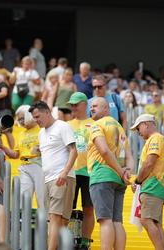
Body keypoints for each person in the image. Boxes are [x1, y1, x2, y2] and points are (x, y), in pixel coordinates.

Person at [29, 101, 77, 250]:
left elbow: (74, 151)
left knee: (56, 217)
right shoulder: (41, 133)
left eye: (38, 116)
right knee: (58, 220)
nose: (36, 120)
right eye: (34, 117)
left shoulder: (63, 126)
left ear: (48, 112)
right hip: (48, 179)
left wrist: (64, 172)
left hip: (61, 177)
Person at [88, 97, 134, 250]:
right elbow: (129, 156)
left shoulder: (96, 125)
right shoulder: (120, 128)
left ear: (106, 109)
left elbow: (104, 151)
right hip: (118, 180)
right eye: (91, 106)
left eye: (95, 106)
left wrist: (121, 172)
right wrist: (127, 171)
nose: (92, 108)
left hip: (102, 176)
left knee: (105, 221)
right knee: (116, 221)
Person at [131, 114, 164, 250]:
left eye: (138, 128)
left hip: (153, 185)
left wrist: (137, 180)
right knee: (156, 223)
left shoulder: (155, 138)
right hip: (158, 186)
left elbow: (149, 163)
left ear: (146, 124)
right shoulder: (157, 138)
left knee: (146, 219)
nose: (138, 132)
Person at [1, 105, 45, 209]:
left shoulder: (41, 129)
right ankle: (22, 221)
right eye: (19, 119)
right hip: (24, 166)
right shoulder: (21, 133)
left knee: (41, 197)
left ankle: (45, 223)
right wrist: (3, 147)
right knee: (23, 197)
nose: (20, 121)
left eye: (22, 118)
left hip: (38, 164)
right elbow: (15, 154)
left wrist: (40, 149)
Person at [67, 92, 94, 248]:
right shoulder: (67, 125)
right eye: (71, 104)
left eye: (76, 104)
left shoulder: (94, 124)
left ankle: (85, 241)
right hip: (70, 172)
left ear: (85, 105)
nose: (73, 107)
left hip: (89, 172)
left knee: (89, 208)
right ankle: (66, 239)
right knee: (67, 208)